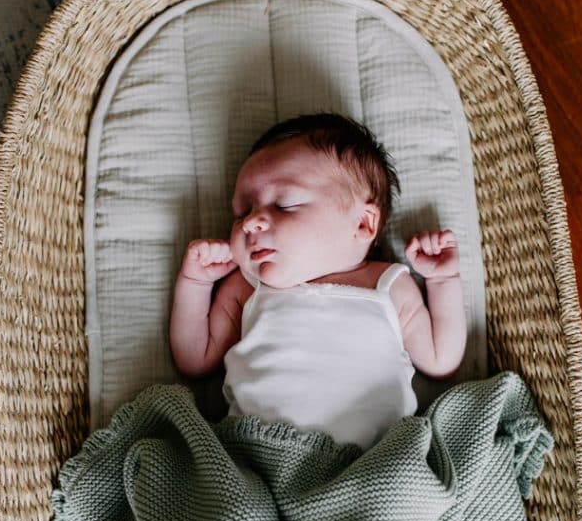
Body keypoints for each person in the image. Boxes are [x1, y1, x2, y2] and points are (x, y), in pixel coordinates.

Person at [170, 113, 467, 449]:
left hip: (370, 464)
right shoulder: (247, 287)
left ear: (364, 225)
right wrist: (195, 284)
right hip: (263, 461)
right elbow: (194, 359)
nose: (251, 222)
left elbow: (441, 360)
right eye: (241, 212)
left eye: (284, 205)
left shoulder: (387, 285)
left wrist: (442, 280)